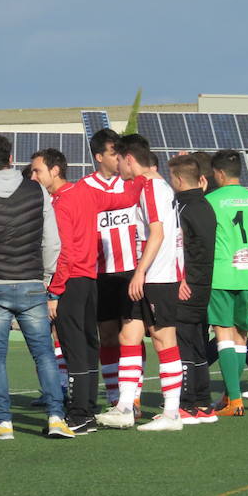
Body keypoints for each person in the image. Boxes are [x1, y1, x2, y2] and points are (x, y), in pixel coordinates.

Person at [0, 135, 70, 440]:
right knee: (44, 354)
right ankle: (56, 418)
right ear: (11, 157)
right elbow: (52, 241)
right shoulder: (37, 190)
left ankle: (3, 423)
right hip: (32, 282)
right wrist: (46, 276)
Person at [30, 148, 143, 434]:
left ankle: (79, 413)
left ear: (55, 170)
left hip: (70, 281)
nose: (33, 176)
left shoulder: (60, 203)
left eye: (37, 171)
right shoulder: (86, 192)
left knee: (74, 346)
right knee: (89, 345)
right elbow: (126, 199)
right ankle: (87, 409)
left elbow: (63, 252)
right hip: (90, 279)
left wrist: (54, 292)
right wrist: (144, 178)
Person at [96, 135, 186, 432]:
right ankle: (124, 405)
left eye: (119, 160)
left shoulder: (150, 186)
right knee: (128, 336)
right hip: (148, 276)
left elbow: (158, 234)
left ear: (129, 159)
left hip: (156, 278)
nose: (117, 165)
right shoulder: (158, 186)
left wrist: (139, 272)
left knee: (163, 341)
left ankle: (172, 413)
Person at [198, 150, 248, 417]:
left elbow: (201, 243)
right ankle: (232, 396)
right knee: (241, 336)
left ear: (217, 174)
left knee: (223, 335)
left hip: (220, 275)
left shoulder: (210, 200)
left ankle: (235, 400)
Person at [81, 128, 143, 409]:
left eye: (120, 152)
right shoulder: (84, 188)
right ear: (98, 157)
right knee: (107, 335)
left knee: (131, 334)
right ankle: (114, 393)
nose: (118, 157)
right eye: (112, 152)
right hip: (101, 274)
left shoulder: (130, 184)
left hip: (132, 272)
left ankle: (135, 394)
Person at [169, 154, 218, 424]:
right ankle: (202, 403)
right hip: (205, 283)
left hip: (186, 284)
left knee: (184, 344)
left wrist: (180, 279)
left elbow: (179, 247)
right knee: (198, 342)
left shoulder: (181, 209)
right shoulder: (206, 206)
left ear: (177, 179)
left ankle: (187, 404)